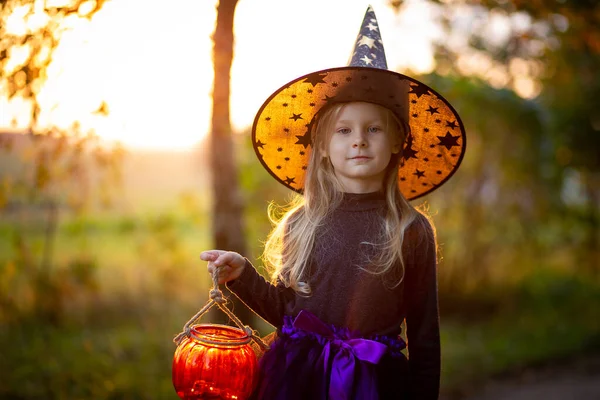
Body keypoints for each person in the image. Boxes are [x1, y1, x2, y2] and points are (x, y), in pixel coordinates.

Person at [201, 6, 466, 400]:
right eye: (344, 130)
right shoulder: (301, 224)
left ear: (397, 142)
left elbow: (425, 335)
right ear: (322, 146)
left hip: (375, 383)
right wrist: (242, 275)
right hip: (298, 380)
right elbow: (286, 312)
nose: (358, 140)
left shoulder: (410, 230)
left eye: (373, 128)